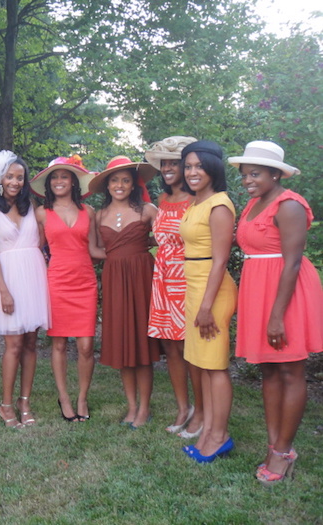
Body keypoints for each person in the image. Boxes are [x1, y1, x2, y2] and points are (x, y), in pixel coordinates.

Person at [229, 141, 323, 483]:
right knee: (269, 370)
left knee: (289, 371)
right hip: (259, 288)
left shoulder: (289, 205)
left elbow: (294, 261)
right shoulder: (254, 204)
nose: (248, 180)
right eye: (244, 175)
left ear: (275, 173)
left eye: (255, 174)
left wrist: (277, 314)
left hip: (287, 291)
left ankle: (284, 452)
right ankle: (274, 445)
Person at [88, 156, 160, 429]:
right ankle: (131, 406)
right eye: (115, 180)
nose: (120, 185)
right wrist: (117, 257)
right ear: (107, 185)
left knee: (141, 342)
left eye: (125, 180)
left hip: (142, 277)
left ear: (133, 184)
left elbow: (168, 239)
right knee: (123, 342)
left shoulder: (148, 210)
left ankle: (144, 407)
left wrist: (141, 245)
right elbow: (93, 250)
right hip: (115, 278)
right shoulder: (99, 215)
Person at [31, 155, 104, 421]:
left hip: (84, 283)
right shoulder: (41, 213)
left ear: (73, 181)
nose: (59, 181)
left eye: (64, 176)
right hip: (57, 283)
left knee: (86, 345)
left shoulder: (89, 212)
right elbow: (35, 250)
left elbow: (95, 249)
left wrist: (129, 254)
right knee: (59, 344)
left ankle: (82, 397)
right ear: (48, 184)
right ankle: (64, 398)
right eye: (55, 177)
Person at [0, 150, 50, 428]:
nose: (15, 182)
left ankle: (25, 400)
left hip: (33, 277)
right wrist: (4, 291)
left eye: (20, 177)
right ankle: (5, 404)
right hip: (7, 278)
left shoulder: (32, 206)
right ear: (0, 178)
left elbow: (42, 242)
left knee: (31, 342)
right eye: (10, 176)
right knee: (13, 344)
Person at [179, 140, 238, 463]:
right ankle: (210, 430)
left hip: (211, 293)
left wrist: (205, 306)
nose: (192, 172)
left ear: (213, 167)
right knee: (201, 364)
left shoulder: (219, 205)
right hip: (195, 288)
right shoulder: (197, 202)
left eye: (199, 165)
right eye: (188, 166)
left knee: (215, 367)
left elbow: (220, 260)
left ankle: (219, 435)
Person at [145, 136, 204, 437]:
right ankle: (184, 407)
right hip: (163, 278)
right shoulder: (162, 200)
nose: (167, 168)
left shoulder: (199, 199)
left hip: (188, 278)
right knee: (171, 346)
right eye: (164, 163)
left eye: (173, 162)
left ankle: (202, 410)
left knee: (192, 348)